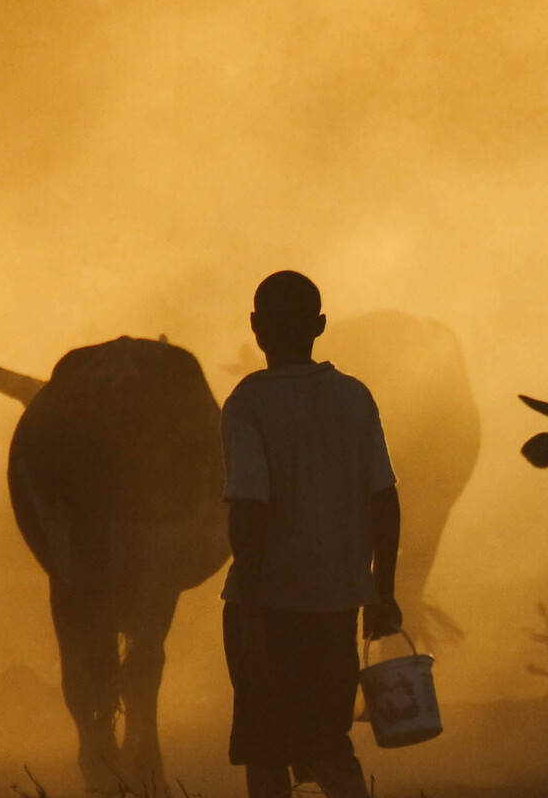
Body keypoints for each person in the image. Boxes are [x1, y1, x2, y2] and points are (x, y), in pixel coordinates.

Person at [221, 270, 403, 798]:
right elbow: (384, 500)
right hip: (337, 606)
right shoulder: (353, 397)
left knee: (266, 752)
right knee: (328, 741)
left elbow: (248, 509)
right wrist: (381, 591)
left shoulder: (247, 403)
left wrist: (250, 605)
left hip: (269, 605)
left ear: (255, 327)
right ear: (320, 326)